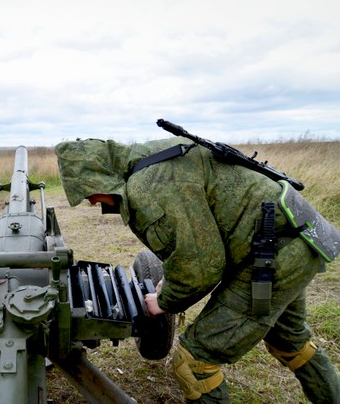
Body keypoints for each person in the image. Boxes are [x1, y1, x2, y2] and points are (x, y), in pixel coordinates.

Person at [55, 136, 340, 403]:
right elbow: (197, 241)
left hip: (271, 257)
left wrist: (165, 301)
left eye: (88, 191)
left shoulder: (148, 186)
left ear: (100, 174)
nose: (91, 201)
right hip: (296, 238)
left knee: (194, 362)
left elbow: (201, 267)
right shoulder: (153, 159)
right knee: (289, 342)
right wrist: (169, 281)